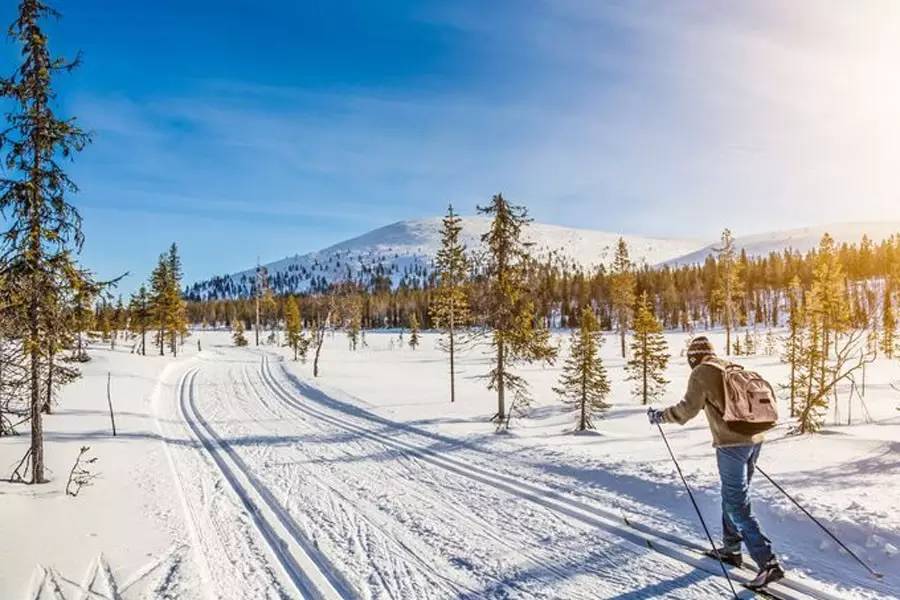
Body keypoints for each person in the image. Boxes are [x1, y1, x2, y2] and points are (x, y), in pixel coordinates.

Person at [647, 336, 784, 589]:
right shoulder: (728, 365)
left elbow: (686, 411)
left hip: (732, 445)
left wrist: (660, 416)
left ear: (693, 358)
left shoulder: (702, 372)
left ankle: (768, 563)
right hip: (754, 440)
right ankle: (731, 549)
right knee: (732, 497)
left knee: (736, 503)